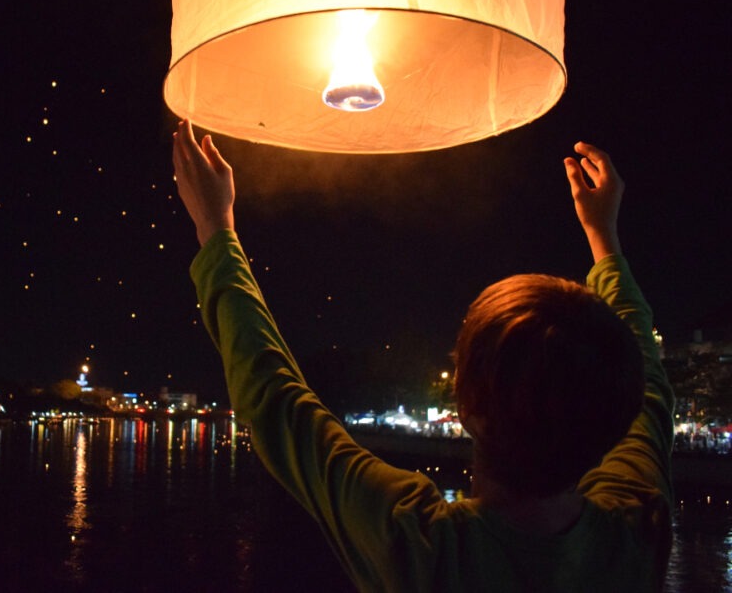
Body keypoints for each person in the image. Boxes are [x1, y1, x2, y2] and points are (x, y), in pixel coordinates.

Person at [172, 120, 674, 592]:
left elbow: (273, 398)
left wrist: (214, 229)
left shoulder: (419, 544)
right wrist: (604, 237)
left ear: (467, 410)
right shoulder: (637, 528)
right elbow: (647, 377)